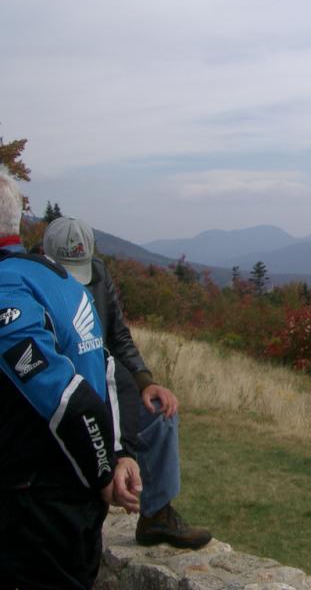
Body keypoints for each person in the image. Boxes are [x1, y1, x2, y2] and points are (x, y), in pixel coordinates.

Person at [0, 169, 141, 589]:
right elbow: (107, 369)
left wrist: (102, 474)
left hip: (35, 511)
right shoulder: (60, 279)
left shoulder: (7, 290)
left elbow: (67, 399)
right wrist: (116, 454)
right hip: (67, 508)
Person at [44, 216, 212, 549]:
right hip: (60, 397)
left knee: (160, 411)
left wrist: (145, 382)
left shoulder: (98, 274)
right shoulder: (29, 285)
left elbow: (119, 336)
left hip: (107, 386)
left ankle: (156, 516)